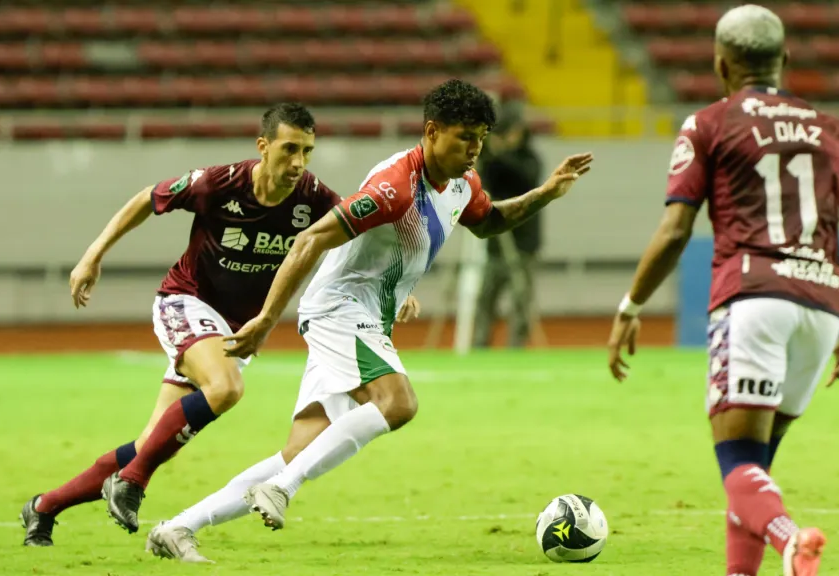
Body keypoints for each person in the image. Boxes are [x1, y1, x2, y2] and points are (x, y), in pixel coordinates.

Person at [144, 79, 593, 562]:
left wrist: (546, 193)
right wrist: (266, 320)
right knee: (398, 403)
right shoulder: (393, 187)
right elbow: (310, 240)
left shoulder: (463, 184)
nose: (475, 148)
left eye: (481, 137)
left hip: (368, 317)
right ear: (432, 131)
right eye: (465, 136)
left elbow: (490, 223)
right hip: (340, 308)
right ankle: (282, 489)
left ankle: (177, 528)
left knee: (299, 450)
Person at [605, 6, 839, 576]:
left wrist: (630, 306)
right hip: (823, 307)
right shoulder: (833, 130)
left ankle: (790, 541)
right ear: (785, 60)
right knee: (755, 467)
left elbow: (676, 229)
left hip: (753, 296)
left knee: (736, 461)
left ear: (720, 65)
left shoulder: (709, 124)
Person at [19, 103, 378, 545]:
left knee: (149, 444)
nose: (298, 163)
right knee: (226, 390)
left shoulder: (314, 197)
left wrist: (397, 283)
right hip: (186, 302)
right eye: (289, 149)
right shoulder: (218, 183)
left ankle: (44, 507)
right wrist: (92, 256)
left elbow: (357, 236)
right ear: (263, 147)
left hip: (232, 331)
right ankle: (132, 483)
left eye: (307, 151)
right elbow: (146, 199)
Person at [473, 100, 543, 348]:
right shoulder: (493, 159)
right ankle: (480, 346)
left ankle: (516, 348)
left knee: (520, 302)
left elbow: (525, 178)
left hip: (523, 244)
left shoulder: (529, 159)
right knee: (485, 300)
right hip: (496, 242)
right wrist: (490, 151)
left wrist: (501, 153)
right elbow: (483, 176)